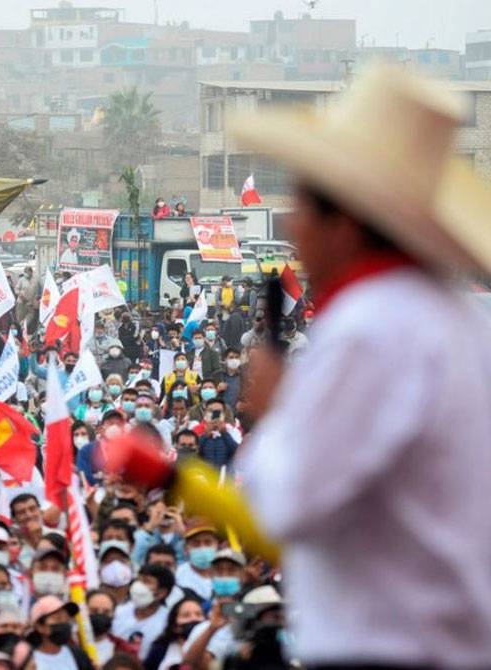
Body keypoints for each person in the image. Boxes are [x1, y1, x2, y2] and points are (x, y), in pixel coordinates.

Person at [231, 65, 491, 666]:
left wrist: (276, 417)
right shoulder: (457, 322)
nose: (291, 228)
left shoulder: (370, 328)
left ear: (343, 221)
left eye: (298, 208)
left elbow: (287, 503)